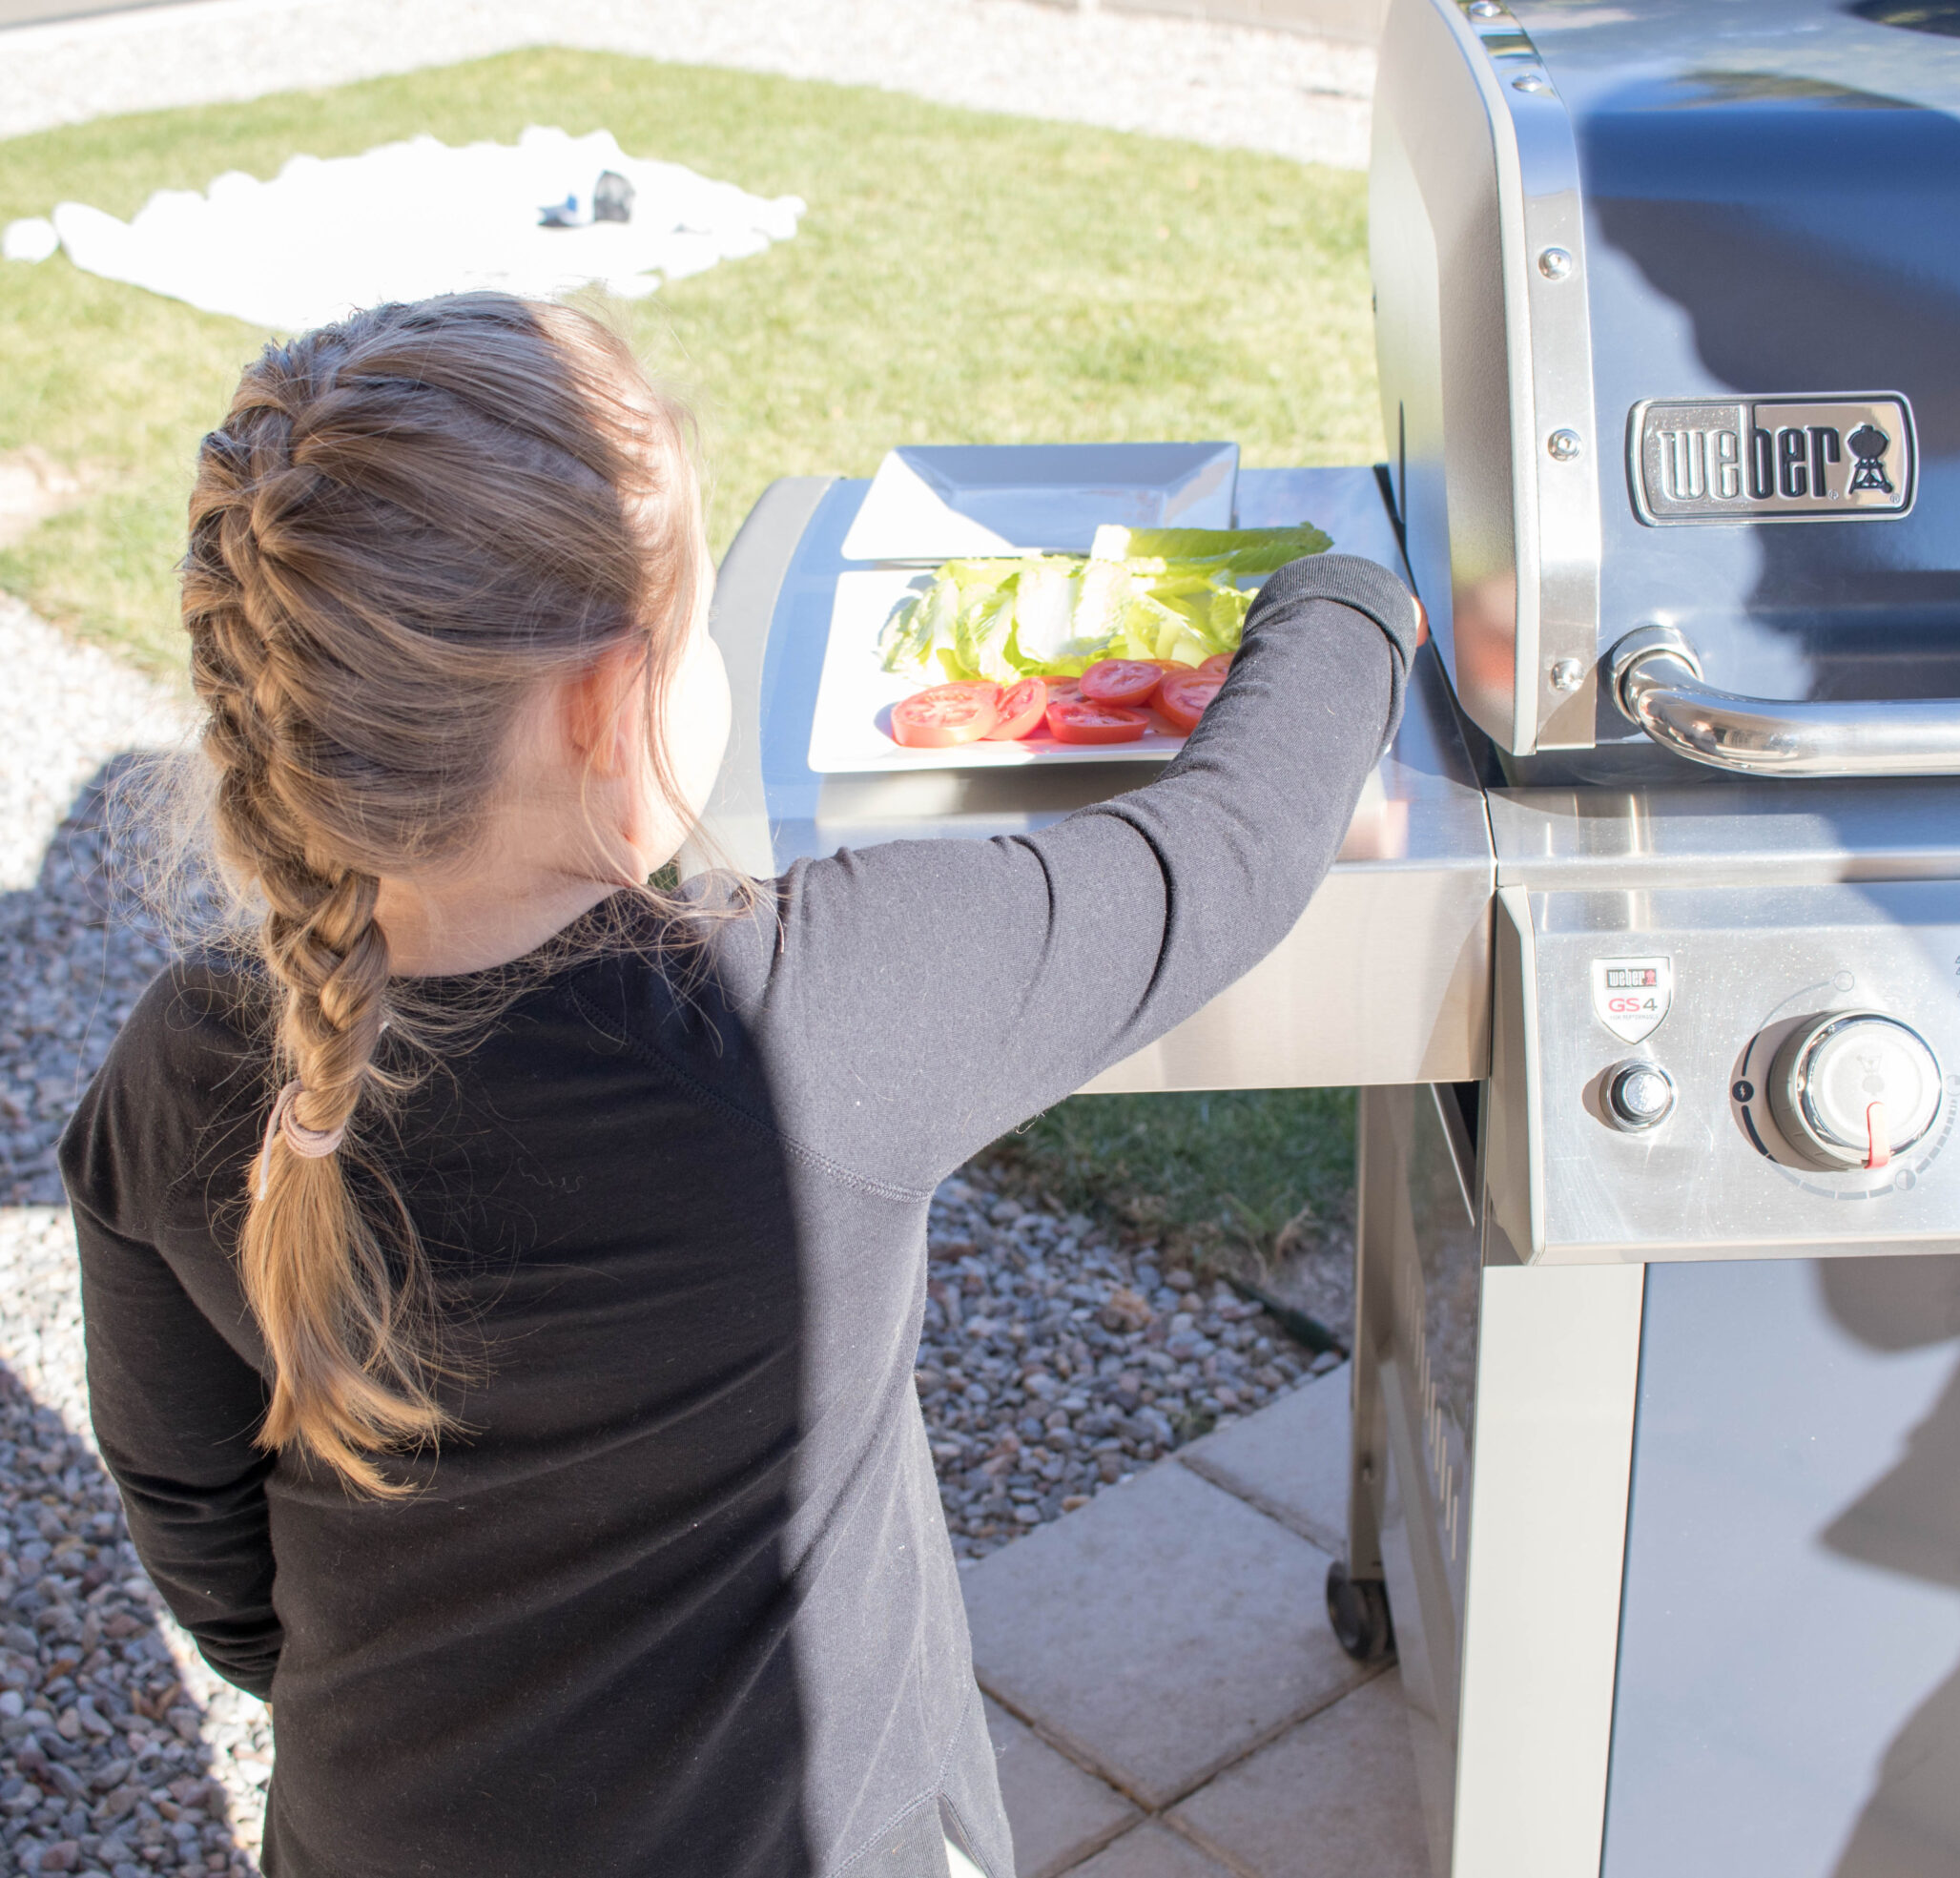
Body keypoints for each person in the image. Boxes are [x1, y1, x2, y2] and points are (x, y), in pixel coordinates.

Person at [58, 293, 1417, 1878]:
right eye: (694, 630)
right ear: (601, 705)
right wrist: (1352, 592)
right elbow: (1222, 853)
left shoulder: (194, 1057)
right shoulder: (807, 1026)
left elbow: (198, 1522)